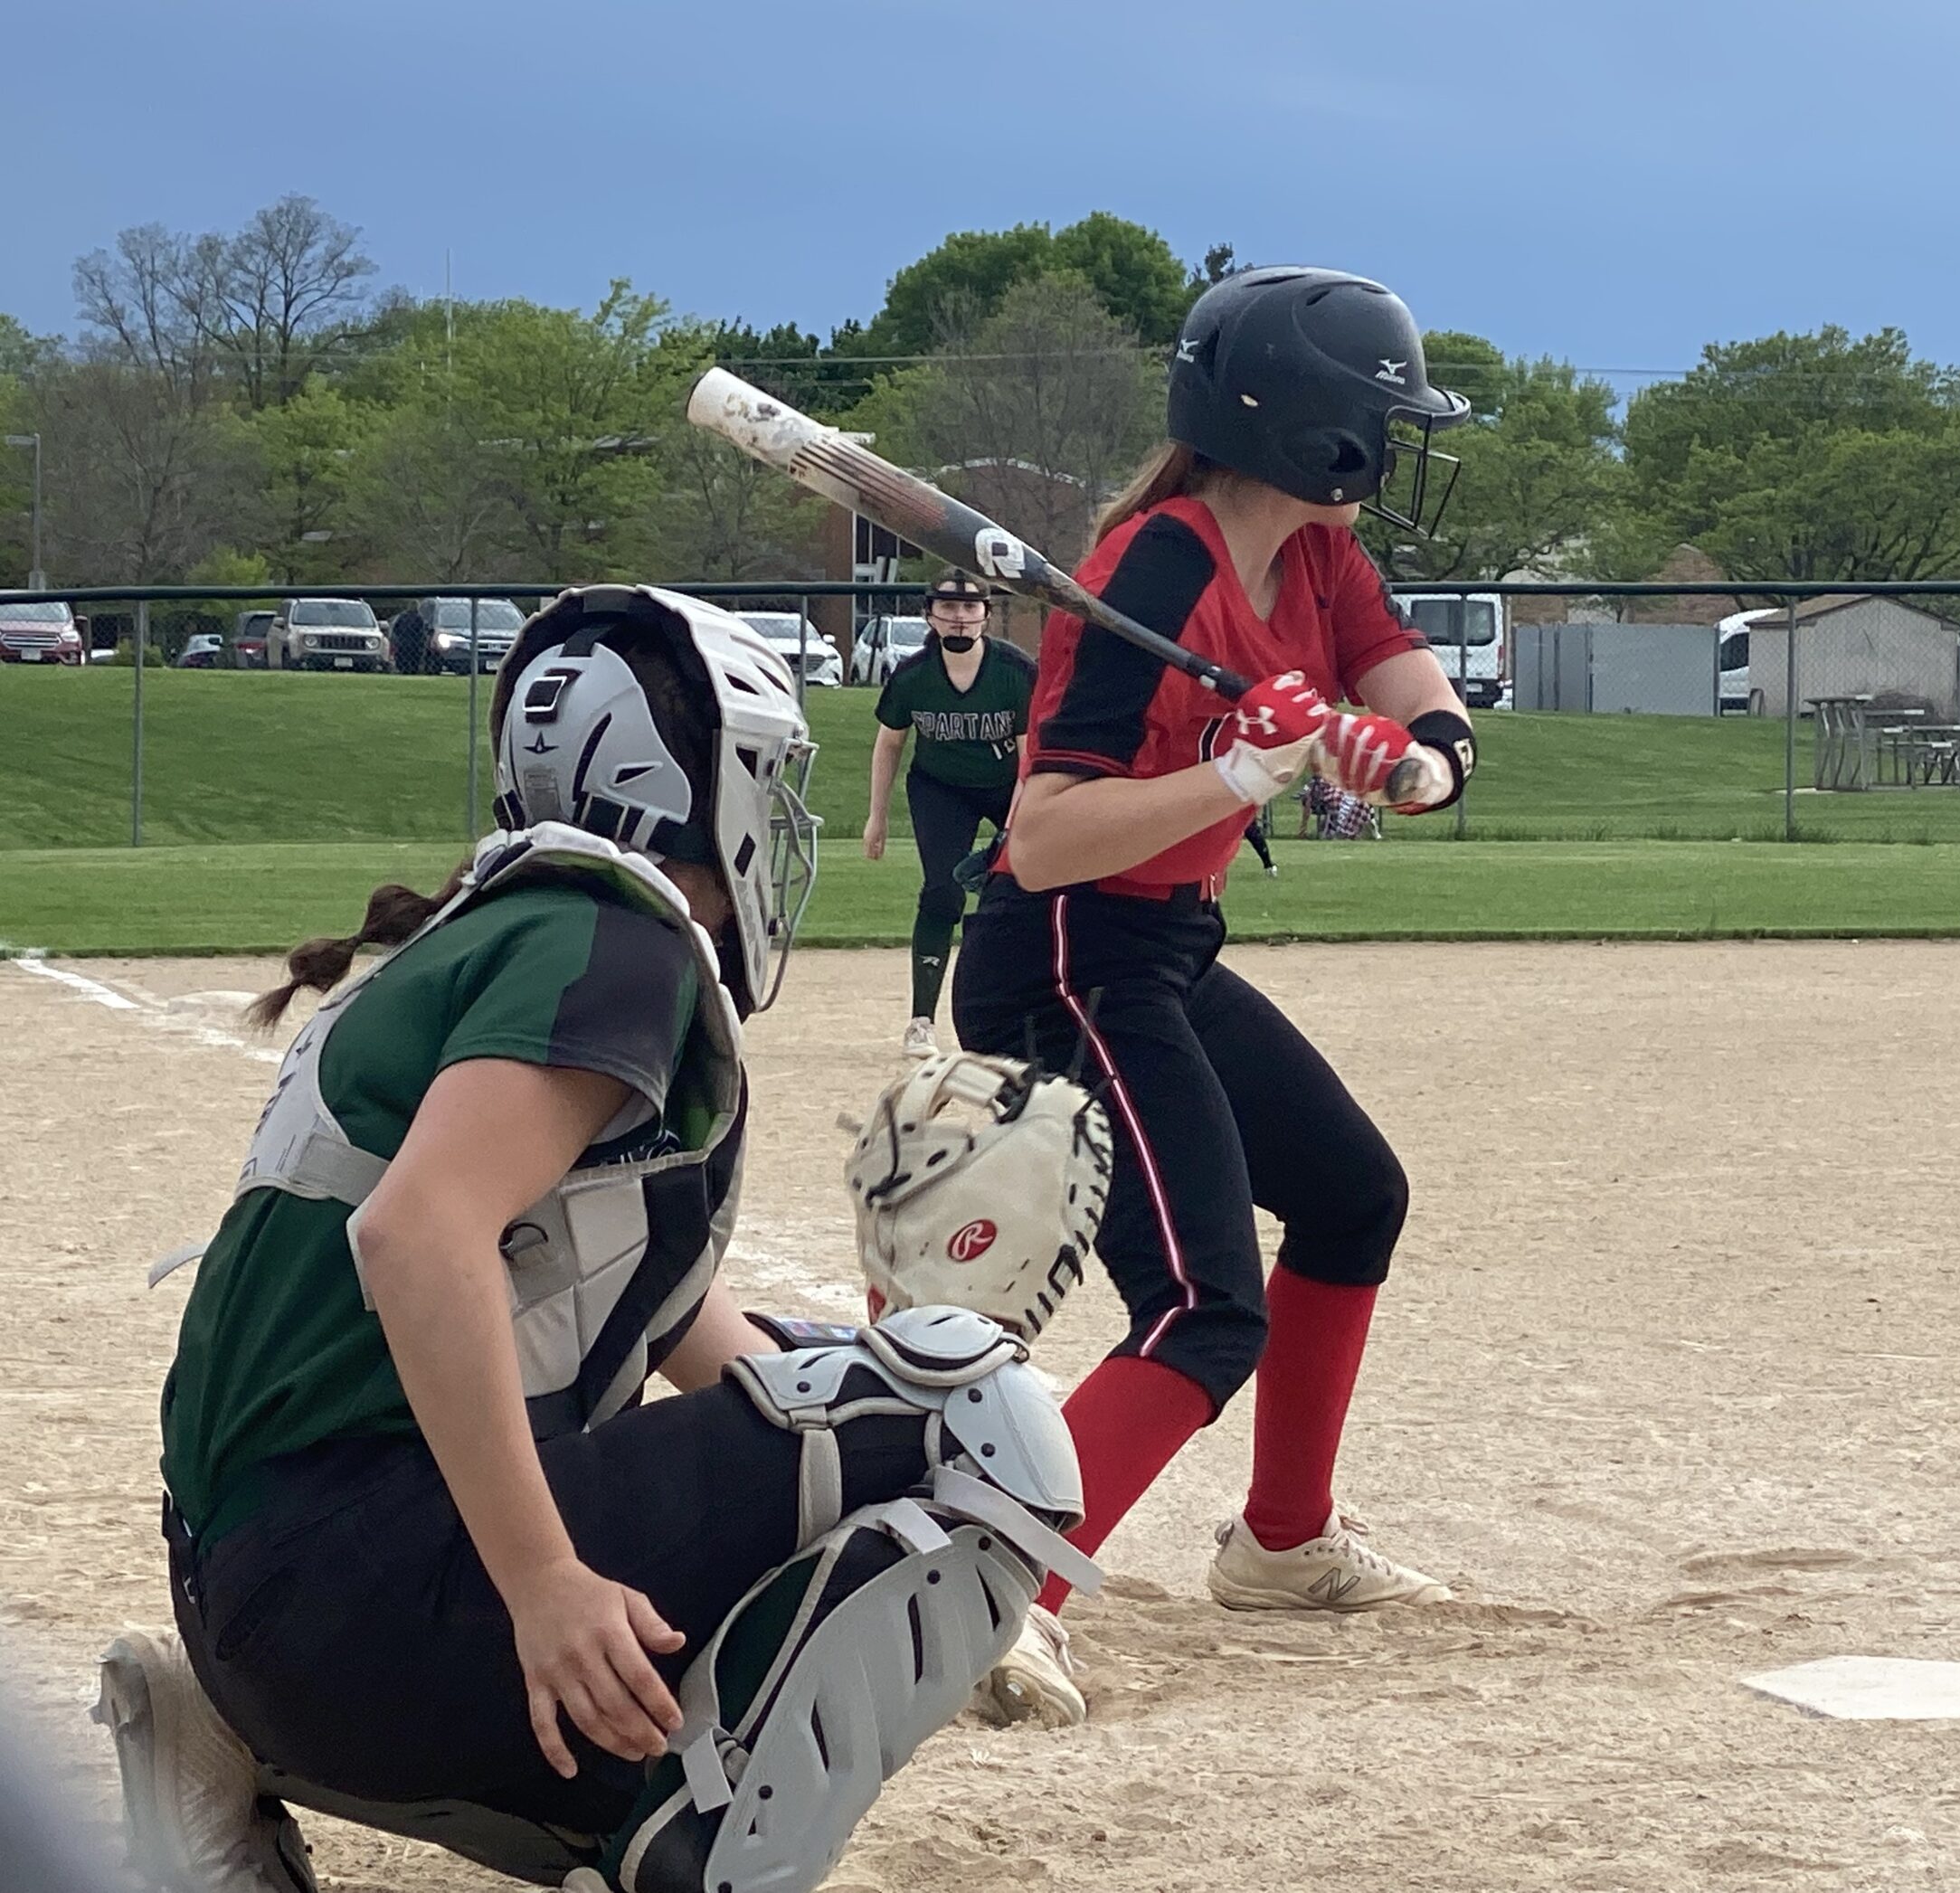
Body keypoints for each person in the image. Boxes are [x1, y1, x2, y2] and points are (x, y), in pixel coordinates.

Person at [96, 586, 1107, 1893]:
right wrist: (546, 1583)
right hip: (362, 1608)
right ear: (669, 779)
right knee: (977, 1407)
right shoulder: (616, 936)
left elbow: (662, 1306)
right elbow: (418, 1236)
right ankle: (697, 1856)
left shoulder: (506, 927)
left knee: (852, 1427)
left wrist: (910, 1503)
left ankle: (226, 1748)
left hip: (276, 1616)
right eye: (762, 772)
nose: (781, 812)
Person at [953, 267, 1483, 1724]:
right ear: (1313, 429)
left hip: (1166, 949)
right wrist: (1245, 770)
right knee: (1199, 1306)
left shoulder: (1318, 559)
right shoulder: (1153, 570)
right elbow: (1049, 834)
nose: (1396, 449)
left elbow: (1425, 709)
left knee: (1352, 1197)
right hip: (1062, 955)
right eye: (1384, 421)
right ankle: (999, 1593)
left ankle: (1284, 1545)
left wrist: (1399, 762)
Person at [861, 568, 1036, 1060]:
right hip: (941, 788)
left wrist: (1016, 824)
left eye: (969, 608)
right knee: (942, 889)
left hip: (1008, 786)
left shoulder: (1014, 671)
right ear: (930, 615)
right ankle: (921, 1020)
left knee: (1018, 892)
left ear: (985, 614)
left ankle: (1013, 1014)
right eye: (948, 608)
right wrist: (877, 816)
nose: (959, 619)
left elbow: (1030, 756)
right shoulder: (914, 674)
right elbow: (889, 743)